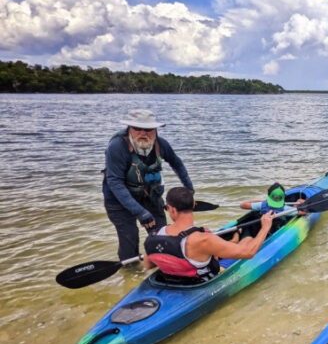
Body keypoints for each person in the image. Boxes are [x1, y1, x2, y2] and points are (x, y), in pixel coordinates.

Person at [102, 109, 194, 261]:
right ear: (129, 129)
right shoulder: (117, 147)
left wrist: (189, 190)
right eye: (138, 129)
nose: (143, 133)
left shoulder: (161, 144)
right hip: (118, 199)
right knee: (129, 238)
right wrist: (140, 212)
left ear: (155, 130)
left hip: (149, 195)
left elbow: (177, 164)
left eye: (148, 129)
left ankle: (163, 265)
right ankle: (130, 272)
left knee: (161, 234)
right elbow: (114, 182)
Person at [143, 186, 274, 284]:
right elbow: (249, 253)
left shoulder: (155, 236)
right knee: (248, 240)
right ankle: (239, 238)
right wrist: (265, 227)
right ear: (194, 205)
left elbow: (149, 265)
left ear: (171, 209)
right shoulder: (204, 238)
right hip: (200, 283)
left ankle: (235, 238)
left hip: (171, 281)